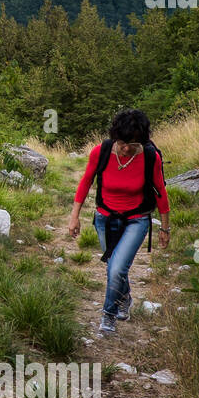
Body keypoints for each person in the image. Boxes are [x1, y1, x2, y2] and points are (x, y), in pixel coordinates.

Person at [67, 109, 170, 335]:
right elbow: (86, 182)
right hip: (105, 219)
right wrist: (75, 216)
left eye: (134, 144)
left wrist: (165, 226)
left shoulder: (151, 157)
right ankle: (125, 298)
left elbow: (160, 190)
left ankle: (108, 316)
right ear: (115, 137)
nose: (126, 148)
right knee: (114, 266)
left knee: (116, 269)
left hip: (137, 220)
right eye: (123, 142)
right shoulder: (101, 152)